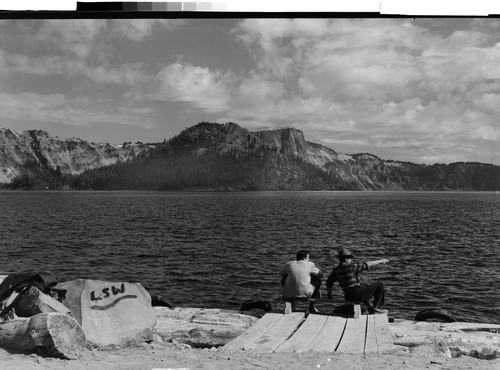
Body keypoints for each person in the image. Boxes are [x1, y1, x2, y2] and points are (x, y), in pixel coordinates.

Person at [326, 247, 389, 314]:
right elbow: (368, 264)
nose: (351, 260)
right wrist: (381, 261)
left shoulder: (336, 270)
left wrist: (330, 296)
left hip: (348, 296)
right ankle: (376, 308)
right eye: (350, 258)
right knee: (380, 285)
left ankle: (370, 307)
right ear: (346, 259)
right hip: (357, 294)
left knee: (363, 287)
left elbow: (328, 283)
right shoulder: (352, 267)